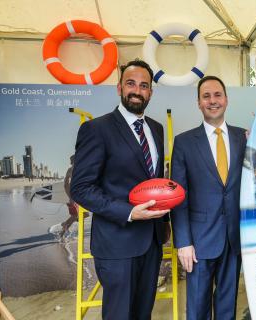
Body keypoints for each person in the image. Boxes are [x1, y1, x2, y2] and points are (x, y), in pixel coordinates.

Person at [70, 59, 170, 320]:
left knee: (142, 314)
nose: (137, 90)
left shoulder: (156, 129)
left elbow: (155, 182)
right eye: (130, 83)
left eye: (144, 85)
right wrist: (128, 212)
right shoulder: (96, 129)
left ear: (150, 92)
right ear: (119, 88)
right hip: (117, 244)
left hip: (151, 241)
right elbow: (80, 188)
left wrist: (165, 222)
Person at [171, 75, 246, 320]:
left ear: (226, 99)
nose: (212, 101)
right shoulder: (183, 142)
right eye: (206, 96)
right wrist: (183, 242)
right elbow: (178, 196)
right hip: (199, 241)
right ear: (198, 103)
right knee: (197, 308)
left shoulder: (242, 138)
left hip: (234, 239)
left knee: (227, 307)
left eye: (217, 95)